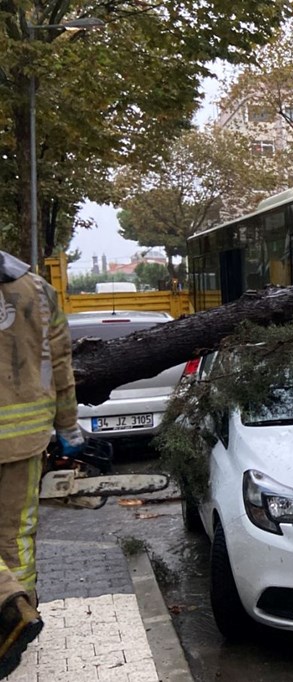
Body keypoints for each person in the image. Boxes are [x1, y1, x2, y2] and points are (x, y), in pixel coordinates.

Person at [0, 250, 83, 677]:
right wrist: (69, 429)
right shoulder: (39, 289)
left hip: (27, 437)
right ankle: (18, 616)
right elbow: (61, 366)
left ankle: (8, 611)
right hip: (26, 438)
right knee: (16, 536)